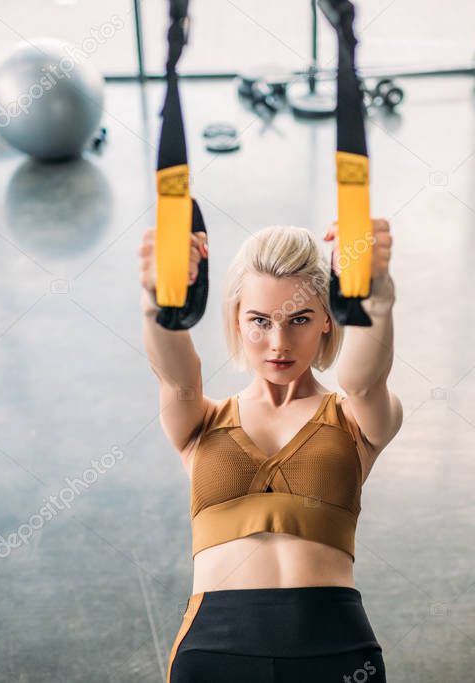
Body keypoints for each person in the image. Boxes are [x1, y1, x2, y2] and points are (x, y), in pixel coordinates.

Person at [139, 219, 402, 682]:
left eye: (298, 319)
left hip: (336, 652)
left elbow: (365, 379)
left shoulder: (356, 421)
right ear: (237, 320)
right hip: (214, 655)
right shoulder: (201, 422)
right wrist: (159, 300)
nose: (278, 343)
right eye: (260, 321)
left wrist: (377, 296)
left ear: (326, 318)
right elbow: (176, 376)